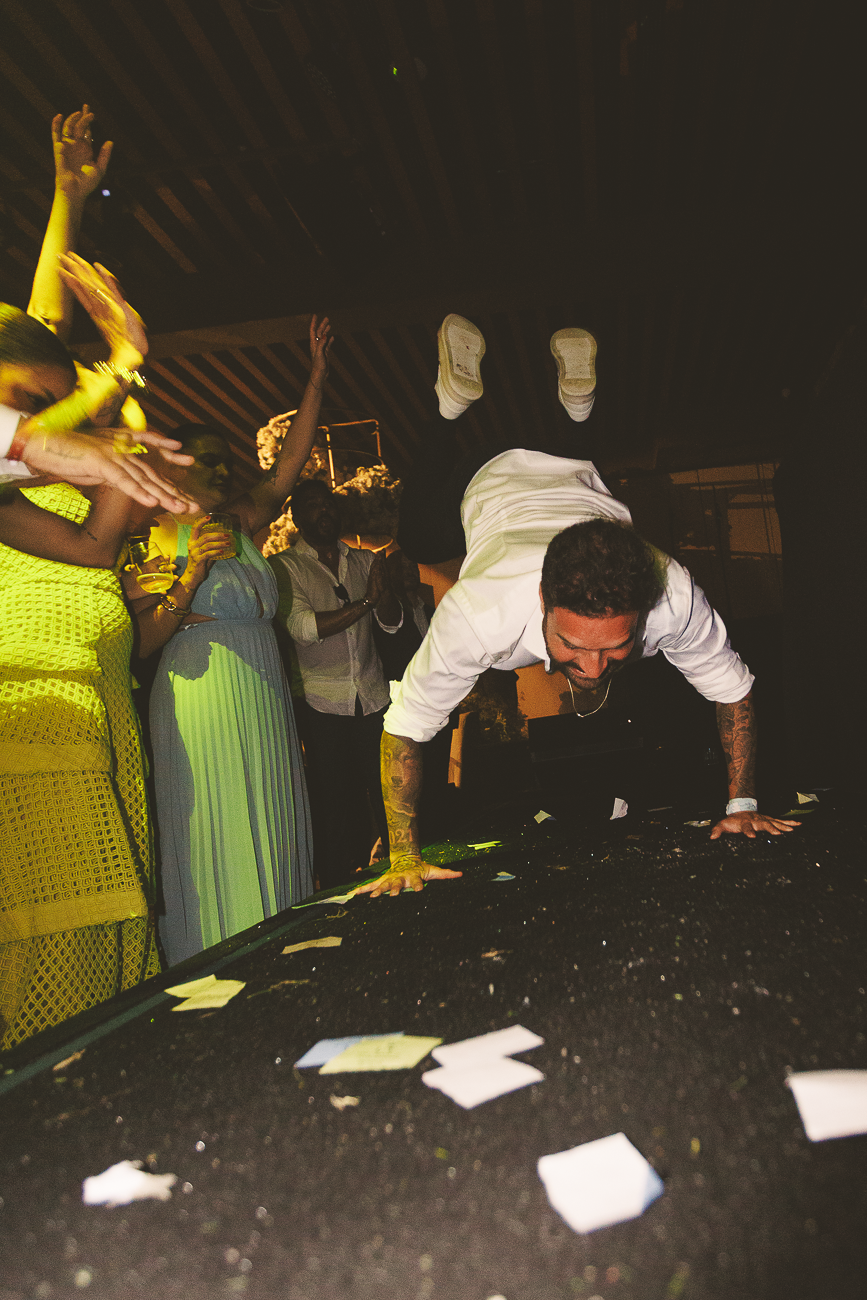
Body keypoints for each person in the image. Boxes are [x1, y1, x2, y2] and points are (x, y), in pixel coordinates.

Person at [357, 314, 799, 899]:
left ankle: (577, 402)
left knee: (584, 467)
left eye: (615, 648)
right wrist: (403, 857)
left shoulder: (669, 591)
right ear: (542, 600)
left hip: (576, 471)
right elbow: (405, 729)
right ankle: (451, 406)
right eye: (575, 646)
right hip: (483, 474)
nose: (592, 669)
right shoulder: (478, 612)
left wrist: (743, 805)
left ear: (643, 613)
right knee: (416, 534)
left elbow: (733, 689)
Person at [0, 257, 168, 1048]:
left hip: (90, 688)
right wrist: (116, 367)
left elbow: (98, 544)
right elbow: (33, 345)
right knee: (46, 894)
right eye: (31, 404)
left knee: (95, 885)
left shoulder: (24, 469)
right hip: (29, 686)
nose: (45, 415)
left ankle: (90, 1052)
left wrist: (125, 434)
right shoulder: (15, 468)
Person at [129, 317, 332, 965]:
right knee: (217, 819)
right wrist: (189, 576)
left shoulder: (240, 520)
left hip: (263, 688)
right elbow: (137, 642)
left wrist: (316, 377)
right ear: (176, 466)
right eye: (208, 458)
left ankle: (279, 947)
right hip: (201, 690)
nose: (222, 468)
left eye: (225, 458)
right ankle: (214, 956)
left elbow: (288, 467)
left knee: (270, 815)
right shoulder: (151, 533)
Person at [268, 478, 402, 888]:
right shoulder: (285, 567)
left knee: (388, 794)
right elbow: (304, 629)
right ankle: (337, 892)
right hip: (322, 703)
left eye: (328, 504)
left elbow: (391, 623)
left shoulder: (363, 561)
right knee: (333, 806)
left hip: (372, 695)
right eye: (312, 505)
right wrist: (364, 602)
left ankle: (402, 871)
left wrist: (383, 595)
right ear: (295, 517)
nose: (323, 511)